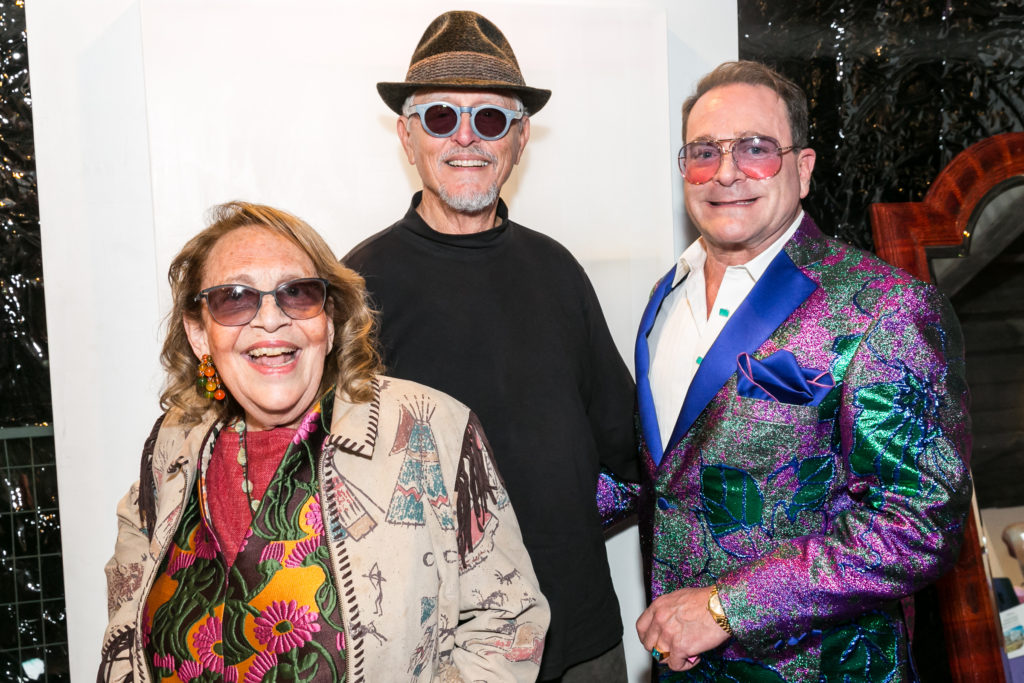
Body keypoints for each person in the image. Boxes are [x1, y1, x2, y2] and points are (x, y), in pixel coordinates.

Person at [599, 61, 972, 681]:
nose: (725, 172)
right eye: (703, 152)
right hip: (683, 669)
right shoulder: (666, 298)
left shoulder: (885, 306)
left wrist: (726, 607)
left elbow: (919, 523)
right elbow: (669, 474)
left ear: (802, 169)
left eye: (755, 149)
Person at [97, 202, 549, 682]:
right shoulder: (173, 446)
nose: (271, 319)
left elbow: (507, 625)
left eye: (298, 294)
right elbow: (124, 629)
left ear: (329, 321)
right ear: (199, 333)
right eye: (234, 298)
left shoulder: (426, 427)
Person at [344, 11, 638, 681]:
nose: (467, 140)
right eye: (443, 118)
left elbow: (626, 448)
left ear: (522, 136)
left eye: (492, 119)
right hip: (446, 654)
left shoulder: (558, 271)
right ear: (407, 134)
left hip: (582, 637)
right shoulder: (356, 289)